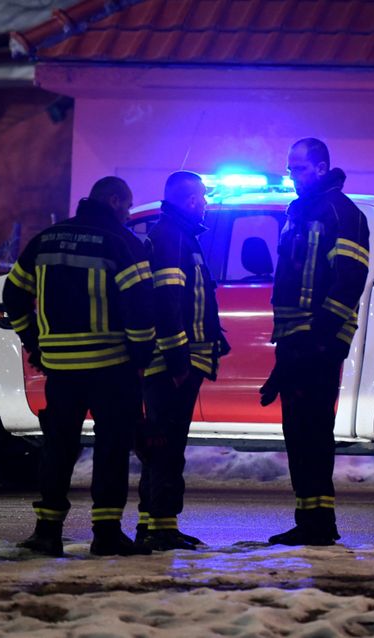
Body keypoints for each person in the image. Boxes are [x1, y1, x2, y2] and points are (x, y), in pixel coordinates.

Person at [3, 176, 155, 558]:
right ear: (115, 200)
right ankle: (106, 534)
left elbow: (13, 296)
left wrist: (35, 341)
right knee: (111, 449)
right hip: (111, 366)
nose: (127, 213)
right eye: (127, 205)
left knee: (58, 447)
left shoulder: (46, 239)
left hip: (60, 369)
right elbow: (139, 307)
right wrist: (140, 356)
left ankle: (47, 532)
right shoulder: (122, 242)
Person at [261, 138, 370, 546]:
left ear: (322, 168)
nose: (292, 175)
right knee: (299, 433)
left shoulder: (343, 214)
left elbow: (348, 280)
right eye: (290, 168)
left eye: (300, 169)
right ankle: (309, 518)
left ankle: (320, 524)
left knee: (313, 431)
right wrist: (282, 362)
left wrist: (321, 339)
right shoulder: (298, 213)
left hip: (319, 341)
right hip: (296, 341)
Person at [135, 171, 227, 552]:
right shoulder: (173, 237)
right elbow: (168, 302)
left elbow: (193, 298)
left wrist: (215, 334)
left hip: (176, 361)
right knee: (167, 448)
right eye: (203, 197)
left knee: (164, 446)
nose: (205, 203)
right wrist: (177, 362)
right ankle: (159, 528)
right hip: (172, 365)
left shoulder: (177, 235)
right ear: (190, 201)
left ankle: (157, 524)